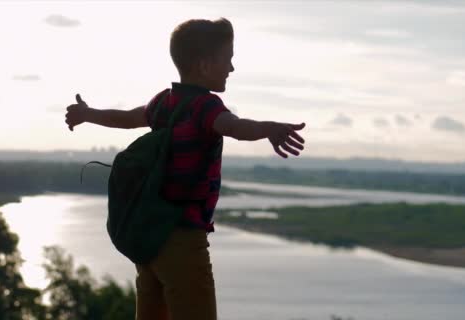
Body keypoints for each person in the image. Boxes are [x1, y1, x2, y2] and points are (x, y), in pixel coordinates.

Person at [65, 17, 305, 320]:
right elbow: (234, 127)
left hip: (151, 236)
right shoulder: (206, 106)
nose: (231, 68)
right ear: (204, 66)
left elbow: (125, 118)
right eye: (227, 60)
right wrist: (269, 128)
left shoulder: (166, 101)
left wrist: (88, 114)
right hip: (183, 238)